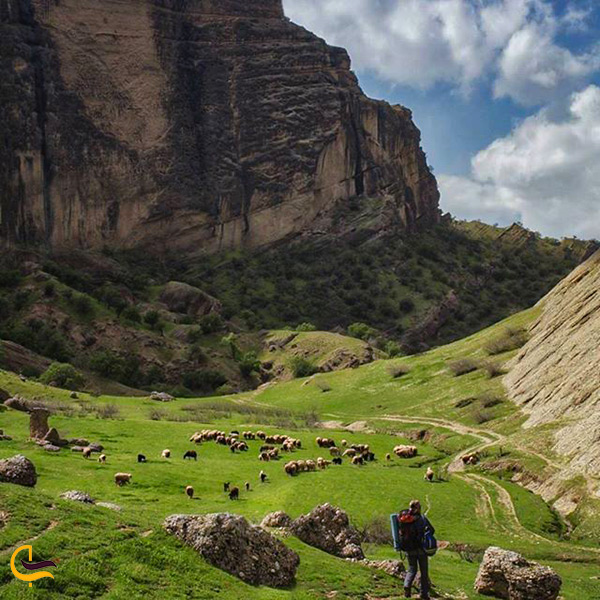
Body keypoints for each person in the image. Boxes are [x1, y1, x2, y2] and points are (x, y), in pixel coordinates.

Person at [402, 499, 435, 599]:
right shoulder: (422, 519)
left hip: (408, 549)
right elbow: (432, 530)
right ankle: (423, 594)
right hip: (421, 550)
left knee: (412, 569)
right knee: (424, 572)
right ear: (418, 508)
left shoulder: (405, 519)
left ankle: (407, 585)